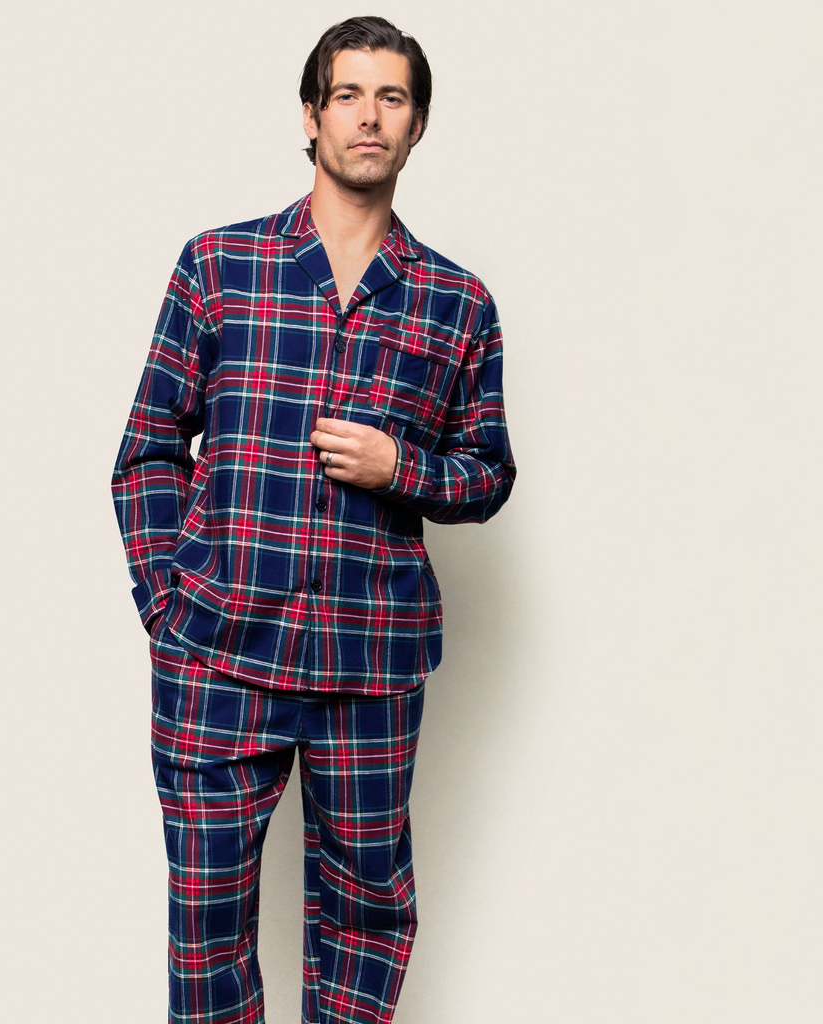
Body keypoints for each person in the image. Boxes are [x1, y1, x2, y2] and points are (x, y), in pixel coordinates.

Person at [112, 15, 515, 1024]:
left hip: (368, 658)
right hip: (218, 653)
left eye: (391, 97)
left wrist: (399, 466)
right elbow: (148, 449)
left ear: (417, 124)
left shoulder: (456, 303)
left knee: (366, 918)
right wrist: (170, 605)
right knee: (206, 926)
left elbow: (488, 474)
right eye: (348, 95)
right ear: (311, 115)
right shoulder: (220, 266)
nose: (369, 116)